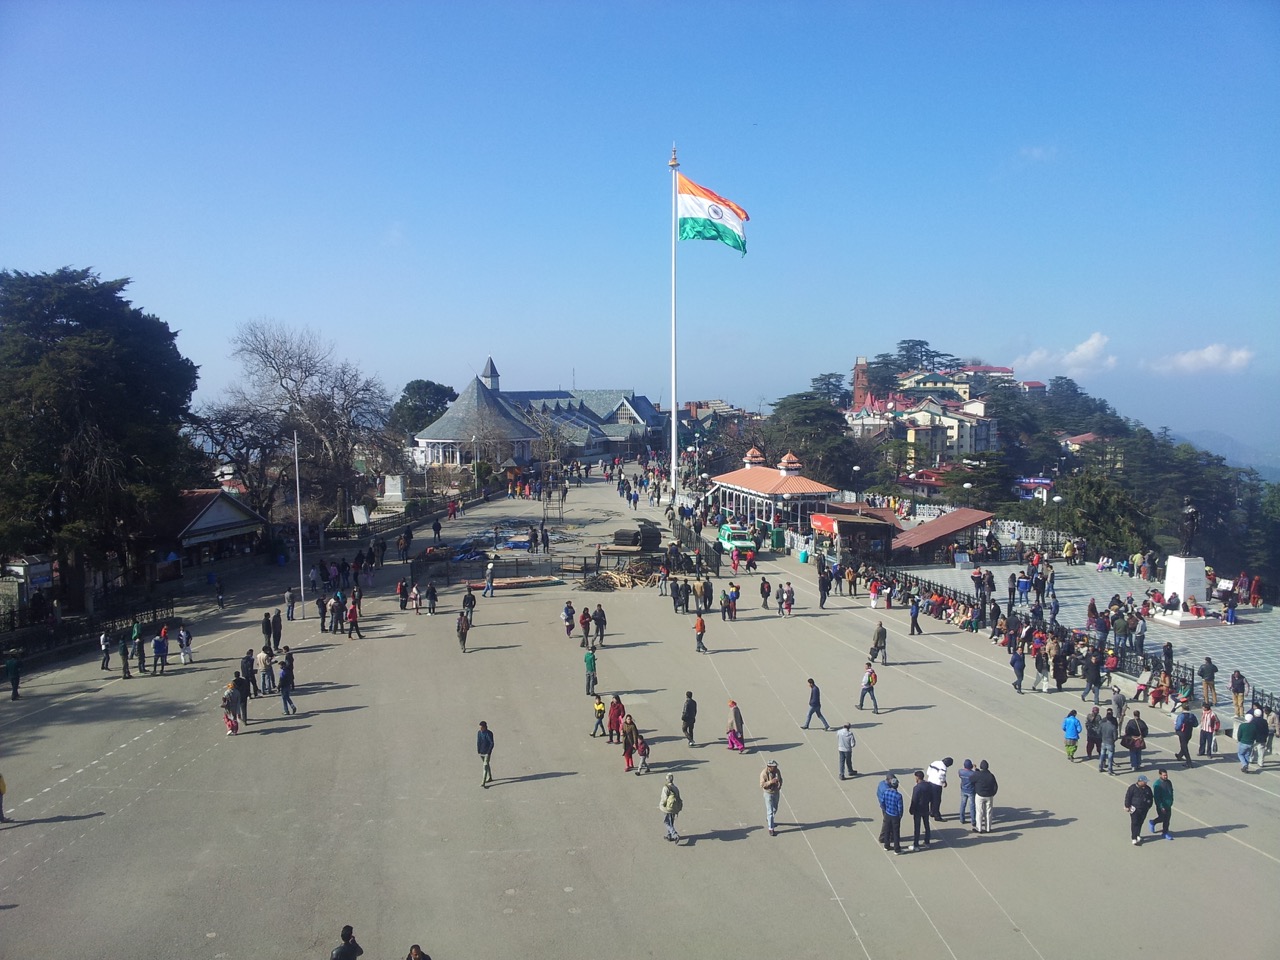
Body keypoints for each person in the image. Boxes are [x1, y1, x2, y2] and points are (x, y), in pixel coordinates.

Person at [877, 773, 904, 853]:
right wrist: (900, 816)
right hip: (894, 814)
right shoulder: (898, 795)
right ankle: (897, 849)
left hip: (887, 810)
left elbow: (882, 801)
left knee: (887, 827)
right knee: (895, 832)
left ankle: (886, 845)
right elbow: (900, 808)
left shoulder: (883, 787)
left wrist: (885, 808)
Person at [1124, 773, 1154, 846]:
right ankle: (1134, 838)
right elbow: (1128, 797)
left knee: (1140, 822)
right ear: (1140, 781)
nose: (1146, 783)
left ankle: (1138, 834)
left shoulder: (1148, 789)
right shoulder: (1132, 788)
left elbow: (1150, 798)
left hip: (1144, 809)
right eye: (1144, 781)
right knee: (1134, 823)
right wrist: (1127, 806)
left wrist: (1148, 806)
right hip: (1134, 809)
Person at [970, 759, 998, 833]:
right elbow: (995, 786)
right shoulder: (991, 775)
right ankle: (988, 828)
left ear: (981, 767)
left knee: (979, 811)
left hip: (980, 795)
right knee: (989, 812)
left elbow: (971, 779)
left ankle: (979, 828)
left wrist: (975, 771)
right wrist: (993, 793)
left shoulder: (978, 774)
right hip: (989, 796)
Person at [908, 770, 932, 850]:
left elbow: (914, 800)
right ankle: (927, 842)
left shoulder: (917, 788)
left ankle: (916, 844)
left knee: (917, 827)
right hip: (926, 808)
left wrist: (911, 809)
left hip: (918, 809)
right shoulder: (929, 785)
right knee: (927, 825)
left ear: (917, 777)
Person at [1149, 768, 1174, 839]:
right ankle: (1153, 822)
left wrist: (1171, 800)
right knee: (1162, 818)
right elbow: (1157, 797)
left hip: (1168, 804)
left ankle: (1165, 832)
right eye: (1164, 775)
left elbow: (1171, 791)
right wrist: (1161, 806)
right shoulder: (1157, 784)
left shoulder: (1169, 782)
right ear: (1160, 775)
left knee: (1167, 819)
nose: (1165, 777)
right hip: (1161, 805)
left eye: (1166, 775)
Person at [761, 759, 783, 836]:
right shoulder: (764, 773)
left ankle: (769, 819)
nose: (775, 768)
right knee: (770, 811)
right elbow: (762, 785)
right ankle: (771, 828)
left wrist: (780, 784)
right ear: (769, 767)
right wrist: (771, 782)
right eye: (774, 766)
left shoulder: (777, 771)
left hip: (776, 792)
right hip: (768, 794)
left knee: (775, 808)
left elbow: (781, 779)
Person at [1173, 701, 1197, 766]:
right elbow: (1196, 724)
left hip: (1182, 732)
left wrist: (1176, 729)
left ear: (1182, 708)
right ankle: (1179, 755)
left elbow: (1178, 725)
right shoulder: (1192, 715)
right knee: (1185, 744)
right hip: (1189, 732)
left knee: (1184, 746)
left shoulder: (1181, 716)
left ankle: (1189, 762)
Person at [659, 773, 682, 842]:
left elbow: (664, 798)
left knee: (666, 822)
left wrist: (662, 805)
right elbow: (678, 797)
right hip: (674, 807)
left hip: (668, 807)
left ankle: (675, 834)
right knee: (671, 821)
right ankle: (669, 835)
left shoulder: (665, 788)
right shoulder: (676, 788)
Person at [958, 759, 975, 826]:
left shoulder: (960, 772)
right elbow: (976, 775)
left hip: (963, 789)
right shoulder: (973, 773)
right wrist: (975, 769)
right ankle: (973, 820)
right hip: (971, 791)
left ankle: (962, 819)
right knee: (972, 806)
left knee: (963, 804)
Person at [477, 720, 494, 788]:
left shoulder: (489, 733)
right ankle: (489, 777)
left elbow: (491, 743)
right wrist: (478, 750)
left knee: (485, 765)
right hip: (481, 752)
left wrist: (488, 752)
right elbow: (478, 741)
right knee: (486, 764)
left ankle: (483, 782)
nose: (480, 728)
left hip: (487, 753)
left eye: (481, 727)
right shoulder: (479, 733)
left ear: (484, 727)